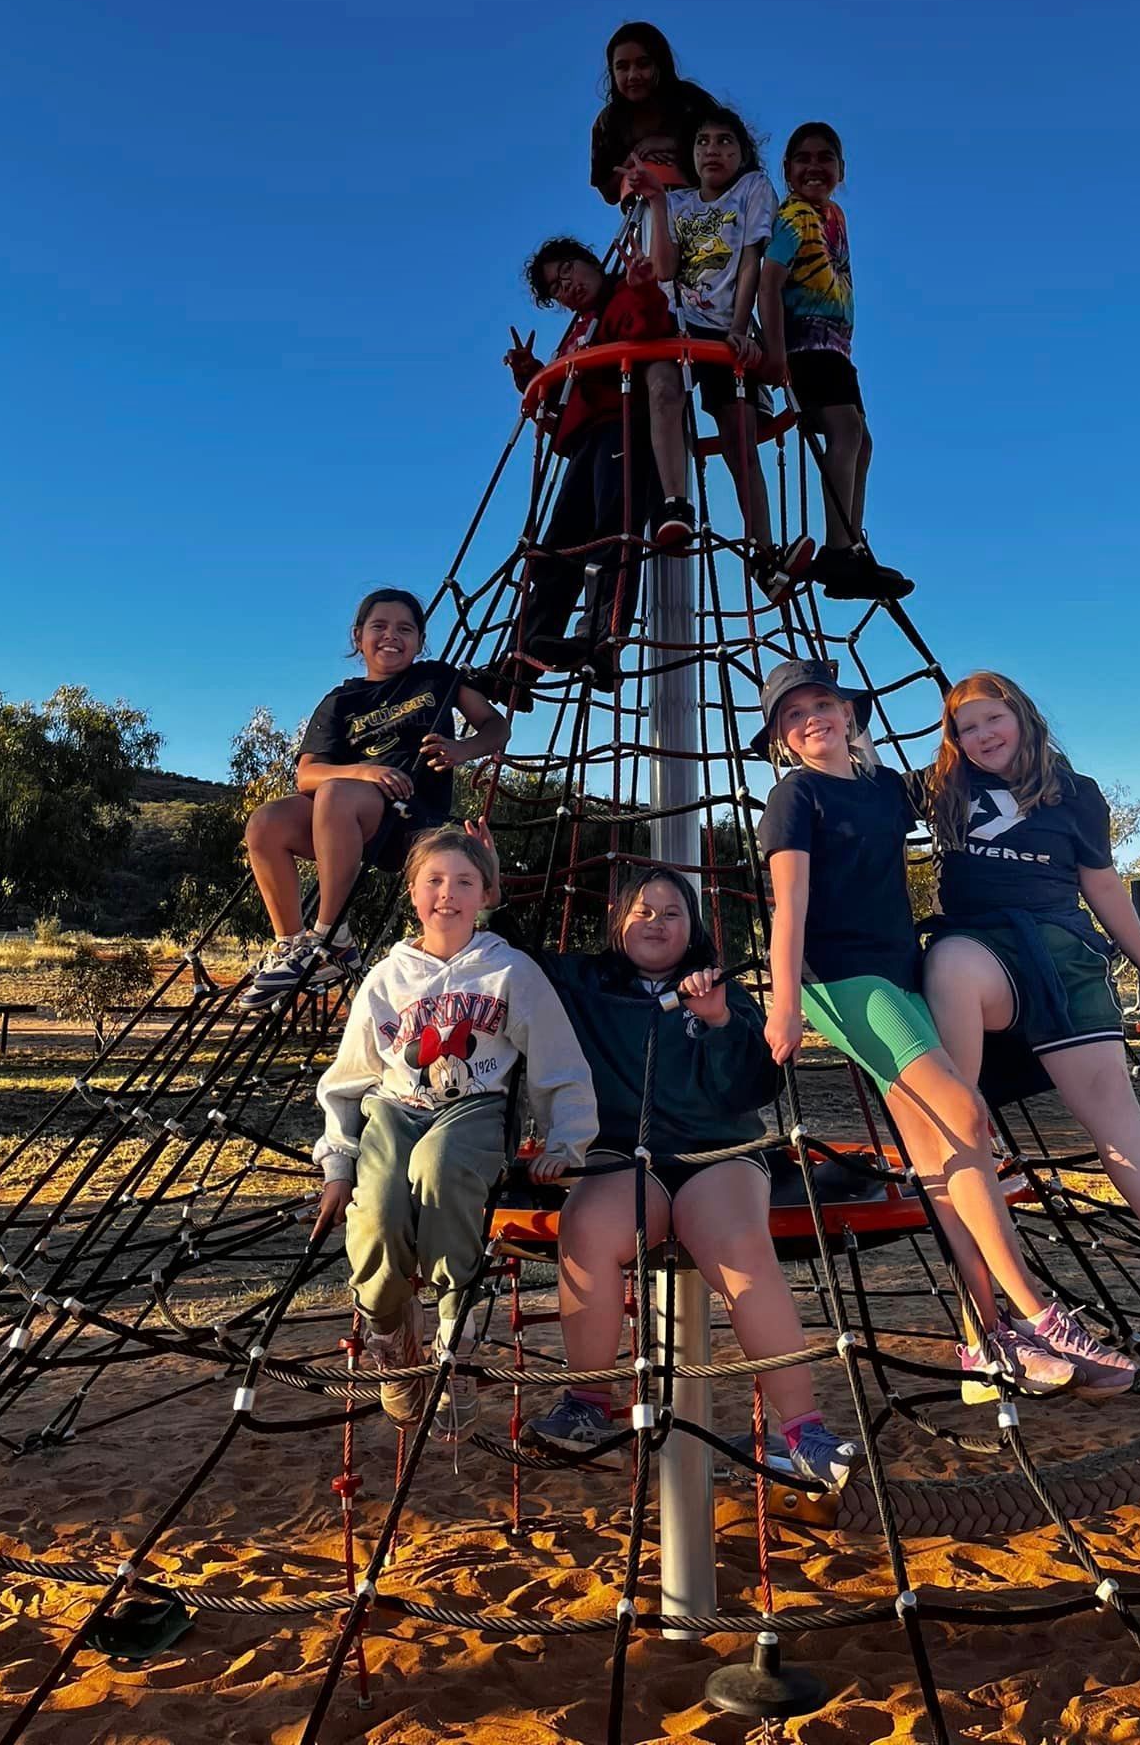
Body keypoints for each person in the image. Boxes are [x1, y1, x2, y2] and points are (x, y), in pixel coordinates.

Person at [755, 659, 1139, 1405]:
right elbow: (788, 906)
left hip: (901, 967)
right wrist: (782, 1001)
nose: (813, 720)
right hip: (842, 981)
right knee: (965, 1113)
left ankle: (981, 1339)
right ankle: (1040, 1316)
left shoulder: (885, 789)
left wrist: (1025, 761)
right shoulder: (794, 797)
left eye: (823, 704)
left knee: (938, 1155)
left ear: (848, 713)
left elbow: (978, 790)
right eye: (794, 714)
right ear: (781, 736)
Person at [478, 839, 860, 1487]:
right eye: (642, 911)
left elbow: (753, 1090)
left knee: (740, 1245)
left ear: (695, 929)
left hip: (718, 1153)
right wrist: (490, 884)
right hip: (626, 1154)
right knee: (587, 1229)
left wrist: (717, 1024)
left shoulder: (719, 991)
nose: (656, 921)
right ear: (618, 924)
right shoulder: (583, 984)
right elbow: (513, 954)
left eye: (672, 913)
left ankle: (804, 1431)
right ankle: (589, 1403)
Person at [914, 672, 1140, 1357]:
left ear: (1022, 717)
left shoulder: (1074, 793)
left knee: (1115, 1115)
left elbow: (1101, 884)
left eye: (991, 720)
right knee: (948, 975)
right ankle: (979, 1269)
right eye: (965, 729)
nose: (981, 737)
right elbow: (857, 795)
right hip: (979, 946)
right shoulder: (942, 787)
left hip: (1061, 950)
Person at [311, 825, 598, 1440]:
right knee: (379, 1213)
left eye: (464, 881)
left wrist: (564, 1141)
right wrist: (338, 1163)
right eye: (434, 881)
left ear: (484, 895)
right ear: (412, 892)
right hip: (394, 1108)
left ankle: (455, 1340)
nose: (448, 893)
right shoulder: (386, 978)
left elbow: (556, 1058)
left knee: (441, 1172)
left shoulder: (510, 971)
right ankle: (391, 1332)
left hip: (474, 1108)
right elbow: (350, 1076)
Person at [239, 591, 508, 1012]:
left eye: (405, 629)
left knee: (336, 792)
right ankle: (293, 944)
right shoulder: (341, 701)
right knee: (266, 820)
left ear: (419, 641)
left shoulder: (437, 678)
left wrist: (463, 749)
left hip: (415, 822)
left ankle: (330, 935)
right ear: (358, 636)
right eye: (379, 627)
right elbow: (307, 773)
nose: (391, 636)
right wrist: (363, 771)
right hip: (352, 822)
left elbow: (496, 726)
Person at [484, 236, 695, 711]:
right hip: (585, 440)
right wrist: (532, 374)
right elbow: (564, 396)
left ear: (588, 261)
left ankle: (601, 640)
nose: (567, 287)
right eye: (556, 288)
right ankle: (526, 653)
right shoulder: (579, 327)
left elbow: (648, 331)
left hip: (625, 426)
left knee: (613, 532)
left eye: (567, 271)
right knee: (556, 548)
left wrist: (642, 288)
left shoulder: (623, 294)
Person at [638, 105, 814, 603]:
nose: (712, 150)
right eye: (702, 143)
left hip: (724, 328)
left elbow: (752, 261)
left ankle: (764, 554)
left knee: (740, 436)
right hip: (677, 324)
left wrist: (740, 328)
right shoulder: (679, 203)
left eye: (724, 142)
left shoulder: (752, 188)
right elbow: (666, 270)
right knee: (661, 391)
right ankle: (676, 505)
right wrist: (655, 203)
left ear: (742, 153)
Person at [757, 124, 908, 603]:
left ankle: (852, 543)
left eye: (826, 158)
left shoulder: (834, 216)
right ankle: (839, 549)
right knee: (844, 430)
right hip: (806, 346)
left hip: (837, 349)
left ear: (841, 170)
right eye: (802, 159)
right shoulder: (794, 217)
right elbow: (769, 283)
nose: (814, 167)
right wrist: (776, 351)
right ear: (786, 170)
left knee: (862, 441)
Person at [589, 21, 716, 209]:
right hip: (642, 218)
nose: (633, 75)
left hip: (703, 213)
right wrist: (632, 161)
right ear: (612, 73)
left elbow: (730, 152)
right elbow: (608, 193)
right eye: (622, 67)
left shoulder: (690, 102)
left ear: (660, 64)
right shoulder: (608, 123)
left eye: (643, 64)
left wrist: (674, 145)